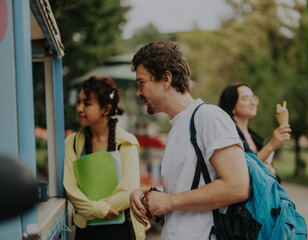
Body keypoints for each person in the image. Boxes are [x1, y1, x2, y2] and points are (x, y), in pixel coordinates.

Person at [129, 41, 250, 240]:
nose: (138, 92)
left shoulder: (208, 117)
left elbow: (236, 186)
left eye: (141, 83)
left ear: (165, 79)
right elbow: (188, 189)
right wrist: (150, 195)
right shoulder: (179, 126)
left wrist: (170, 202)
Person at [63, 76, 147, 240]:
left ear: (106, 109)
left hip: (122, 230)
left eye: (87, 103)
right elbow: (70, 187)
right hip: (86, 231)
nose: (79, 108)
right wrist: (97, 210)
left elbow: (128, 192)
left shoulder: (126, 143)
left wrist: (88, 211)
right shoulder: (72, 142)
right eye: (79, 102)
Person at [219, 83, 292, 181]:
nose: (253, 102)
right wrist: (271, 145)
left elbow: (271, 173)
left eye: (254, 98)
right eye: (245, 99)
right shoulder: (228, 135)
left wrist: (273, 172)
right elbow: (241, 170)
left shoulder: (254, 137)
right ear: (232, 105)